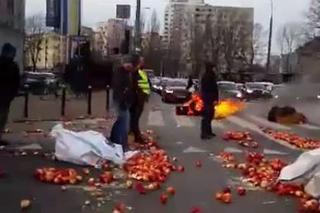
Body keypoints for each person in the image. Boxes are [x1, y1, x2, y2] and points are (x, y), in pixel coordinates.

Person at [110, 54, 140, 151]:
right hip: (121, 102)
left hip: (124, 101)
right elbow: (119, 89)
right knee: (124, 125)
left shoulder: (127, 73)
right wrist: (123, 100)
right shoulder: (121, 73)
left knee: (119, 123)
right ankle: (122, 146)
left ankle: (115, 143)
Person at [0, 43, 20, 145]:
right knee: (2, 117)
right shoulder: (13, 66)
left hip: (5, 96)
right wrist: (13, 94)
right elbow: (16, 82)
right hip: (5, 97)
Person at [130, 57, 151, 143]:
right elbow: (134, 85)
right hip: (137, 99)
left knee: (135, 118)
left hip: (141, 98)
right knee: (135, 119)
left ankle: (134, 135)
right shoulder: (135, 72)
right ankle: (137, 137)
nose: (144, 63)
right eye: (142, 61)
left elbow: (147, 84)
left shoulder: (142, 72)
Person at [200, 63, 219, 140]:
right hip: (208, 98)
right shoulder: (207, 76)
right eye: (214, 68)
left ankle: (208, 131)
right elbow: (210, 89)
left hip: (210, 98)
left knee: (210, 115)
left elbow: (214, 88)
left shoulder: (211, 76)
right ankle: (204, 133)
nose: (215, 69)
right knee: (207, 116)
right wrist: (213, 98)